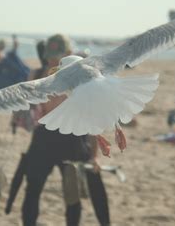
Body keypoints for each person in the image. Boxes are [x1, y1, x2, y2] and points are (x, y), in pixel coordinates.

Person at [12, 34, 110, 226]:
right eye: (49, 55)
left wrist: (94, 155)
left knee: (74, 192)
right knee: (32, 188)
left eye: (57, 55)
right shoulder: (36, 74)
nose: (51, 60)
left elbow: (90, 116)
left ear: (69, 53)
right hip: (43, 138)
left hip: (73, 137)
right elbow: (26, 111)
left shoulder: (81, 77)